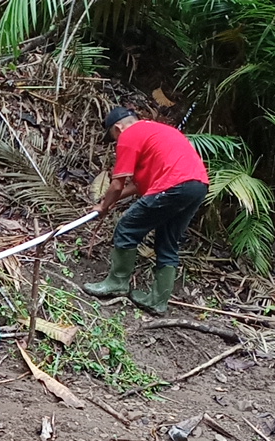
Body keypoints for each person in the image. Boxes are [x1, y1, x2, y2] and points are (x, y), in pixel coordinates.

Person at [84, 106, 209, 314]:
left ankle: (117, 283)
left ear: (118, 128)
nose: (116, 143)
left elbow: (117, 184)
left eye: (113, 137)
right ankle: (158, 301)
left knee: (127, 227)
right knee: (168, 241)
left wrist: (103, 207)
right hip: (197, 186)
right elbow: (138, 187)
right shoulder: (157, 131)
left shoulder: (128, 135)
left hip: (173, 185)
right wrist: (110, 201)